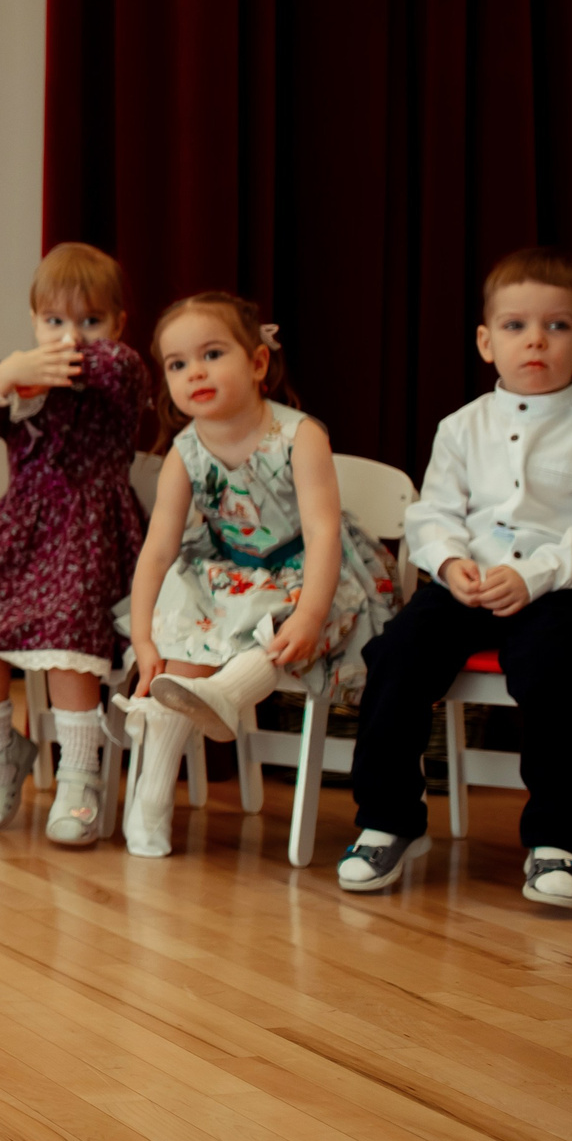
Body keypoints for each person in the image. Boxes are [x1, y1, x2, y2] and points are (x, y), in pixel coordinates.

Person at [340, 248, 572, 907]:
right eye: (514, 325)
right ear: (486, 340)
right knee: (395, 655)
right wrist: (451, 563)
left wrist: (532, 576)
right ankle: (388, 820)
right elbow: (432, 513)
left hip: (564, 592)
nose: (535, 339)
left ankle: (557, 841)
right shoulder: (462, 428)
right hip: (468, 584)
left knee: (556, 668)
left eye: (557, 326)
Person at [120, 292, 395, 856]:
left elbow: (321, 533)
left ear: (258, 363)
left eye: (212, 354)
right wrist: (145, 636)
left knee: (287, 620)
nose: (194, 371)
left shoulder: (299, 436)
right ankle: (152, 794)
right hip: (230, 567)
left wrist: (312, 610)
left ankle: (228, 692)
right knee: (182, 646)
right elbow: (157, 550)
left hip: (307, 568)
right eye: (177, 364)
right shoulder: (184, 453)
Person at [0, 244, 149, 842]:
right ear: (33, 320)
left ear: (117, 325)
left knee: (66, 636)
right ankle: (0, 752)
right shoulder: (19, 375)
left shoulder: (118, 368)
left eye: (89, 321)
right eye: (54, 322)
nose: (69, 338)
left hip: (93, 533)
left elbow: (113, 371)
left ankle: (81, 772)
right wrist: (1, 376)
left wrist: (47, 364)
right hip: (20, 531)